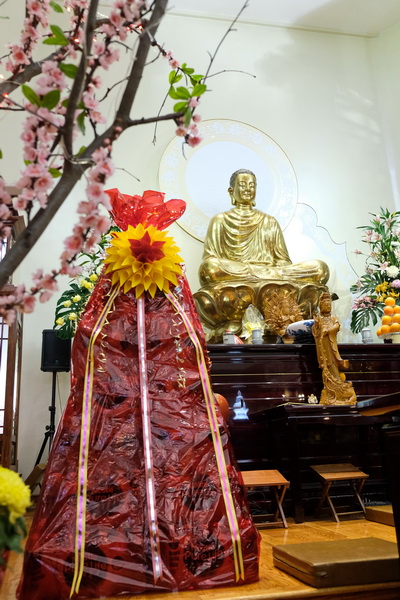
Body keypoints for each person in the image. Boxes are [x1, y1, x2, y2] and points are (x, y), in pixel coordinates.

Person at [194, 169, 329, 341]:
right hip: (237, 276)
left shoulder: (269, 222)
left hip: (269, 276)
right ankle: (243, 307)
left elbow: (283, 262)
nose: (248, 189)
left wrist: (271, 272)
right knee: (210, 268)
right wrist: (254, 270)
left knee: (320, 268)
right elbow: (210, 260)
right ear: (231, 191)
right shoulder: (220, 220)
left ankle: (265, 285)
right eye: (242, 185)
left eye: (252, 185)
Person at [312, 292, 356, 405]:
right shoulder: (319, 319)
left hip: (331, 345)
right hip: (323, 346)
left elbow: (337, 326)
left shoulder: (333, 317)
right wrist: (317, 327)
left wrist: (328, 330)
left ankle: (337, 381)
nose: (328, 306)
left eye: (330, 305)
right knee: (326, 363)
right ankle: (330, 388)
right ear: (321, 306)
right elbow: (315, 332)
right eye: (326, 305)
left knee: (333, 363)